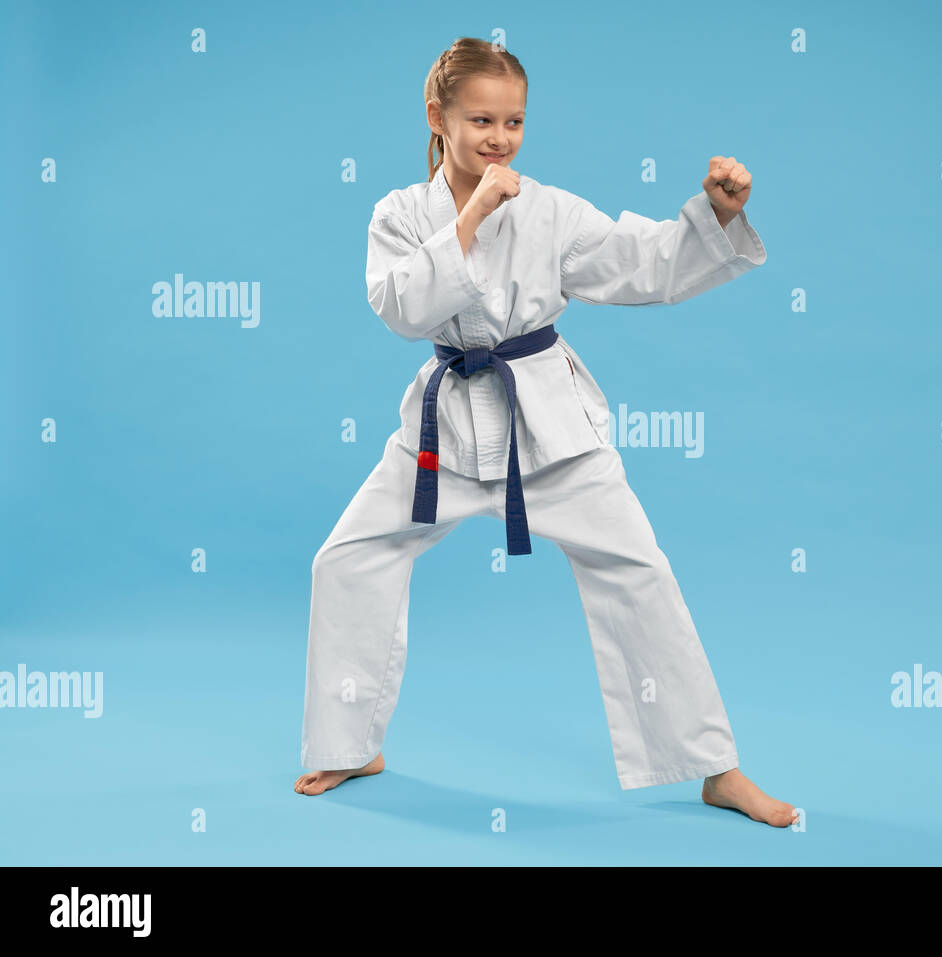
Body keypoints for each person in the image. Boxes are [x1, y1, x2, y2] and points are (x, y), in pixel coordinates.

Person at [293, 37, 796, 828]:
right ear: (439, 116)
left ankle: (714, 767)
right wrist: (472, 216)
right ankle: (350, 740)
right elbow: (399, 308)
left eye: (515, 121)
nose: (500, 137)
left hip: (550, 428)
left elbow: (640, 264)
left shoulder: (550, 209)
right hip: (446, 429)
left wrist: (713, 219)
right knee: (348, 558)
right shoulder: (398, 213)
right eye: (481, 119)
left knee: (639, 570)